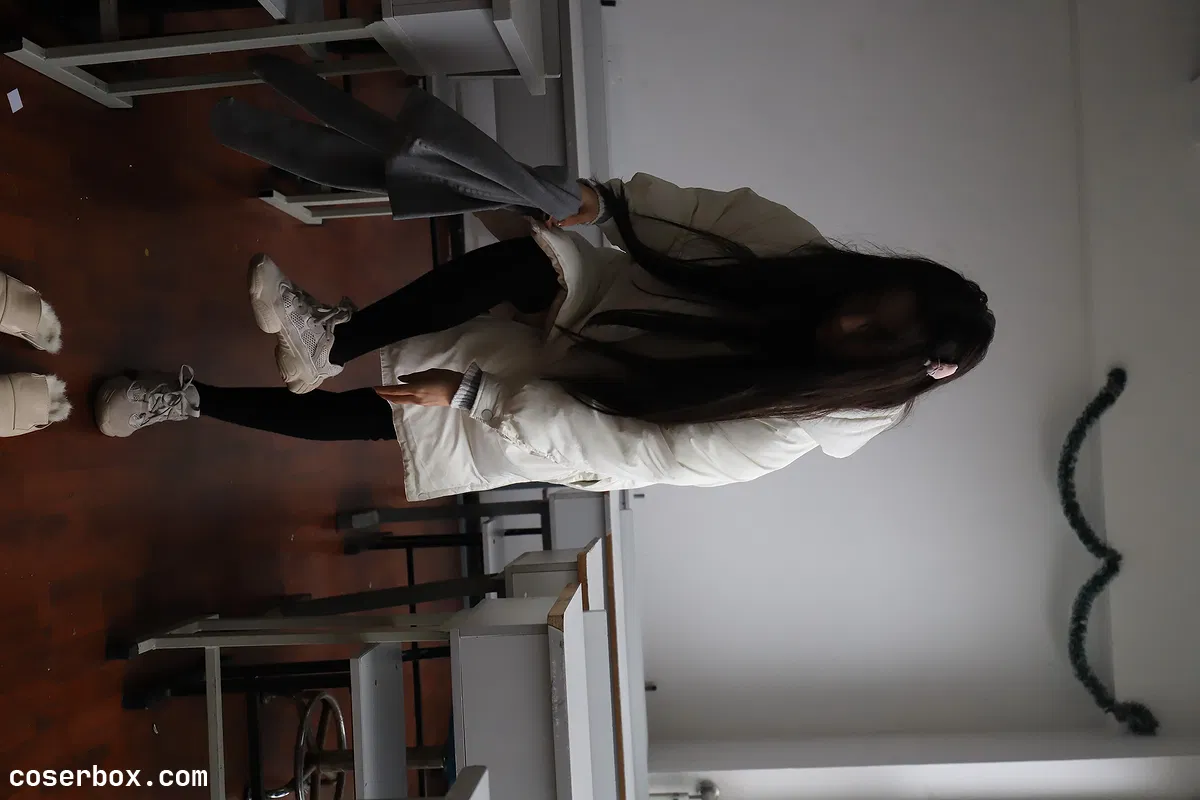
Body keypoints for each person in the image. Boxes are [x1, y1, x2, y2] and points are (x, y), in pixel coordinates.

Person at [94, 174, 995, 501]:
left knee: (393, 414)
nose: (849, 319)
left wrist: (474, 396)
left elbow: (635, 446)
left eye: (873, 335)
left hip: (593, 410)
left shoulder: (777, 433)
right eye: (869, 299)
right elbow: (706, 213)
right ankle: (326, 341)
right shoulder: (802, 258)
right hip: (613, 304)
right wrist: (607, 202)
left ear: (885, 371)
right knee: (531, 260)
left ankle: (187, 400)